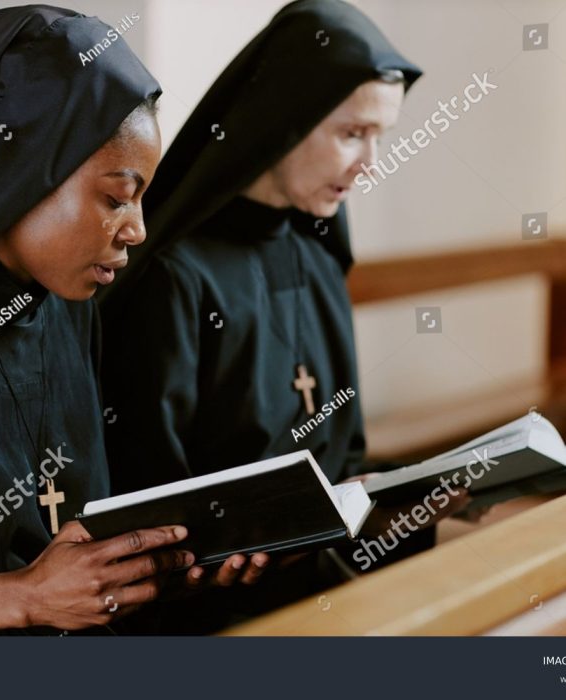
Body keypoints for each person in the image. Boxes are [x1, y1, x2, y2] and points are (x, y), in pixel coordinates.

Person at [0, 4, 256, 636]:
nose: (137, 230)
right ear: (19, 172)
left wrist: (184, 565)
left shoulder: (71, 312)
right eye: (115, 197)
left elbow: (80, 543)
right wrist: (20, 597)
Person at [100, 0, 468, 632]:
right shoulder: (174, 275)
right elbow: (151, 499)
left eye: (381, 136)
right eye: (352, 134)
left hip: (323, 573)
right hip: (213, 614)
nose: (369, 163)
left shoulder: (317, 250)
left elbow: (344, 459)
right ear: (284, 118)